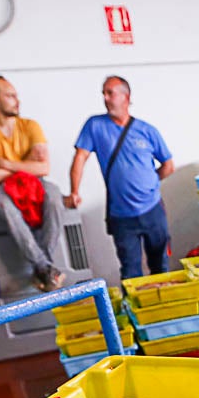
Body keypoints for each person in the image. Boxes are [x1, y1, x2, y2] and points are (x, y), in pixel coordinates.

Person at [68, 76, 176, 279]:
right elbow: (80, 157)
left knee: (160, 267)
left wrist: (149, 183)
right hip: (121, 215)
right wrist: (74, 191)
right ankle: (134, 311)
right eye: (104, 93)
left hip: (153, 210)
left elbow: (168, 166)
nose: (105, 98)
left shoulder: (146, 130)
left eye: (110, 93)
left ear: (126, 97)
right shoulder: (95, 125)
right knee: (130, 271)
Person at [0, 75, 64, 291]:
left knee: (53, 195)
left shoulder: (31, 126)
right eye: (10, 96)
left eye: (16, 95)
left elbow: (43, 169)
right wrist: (26, 162)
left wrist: (5, 162)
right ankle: (45, 266)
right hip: (2, 188)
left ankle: (43, 268)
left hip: (34, 183)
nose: (17, 100)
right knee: (4, 206)